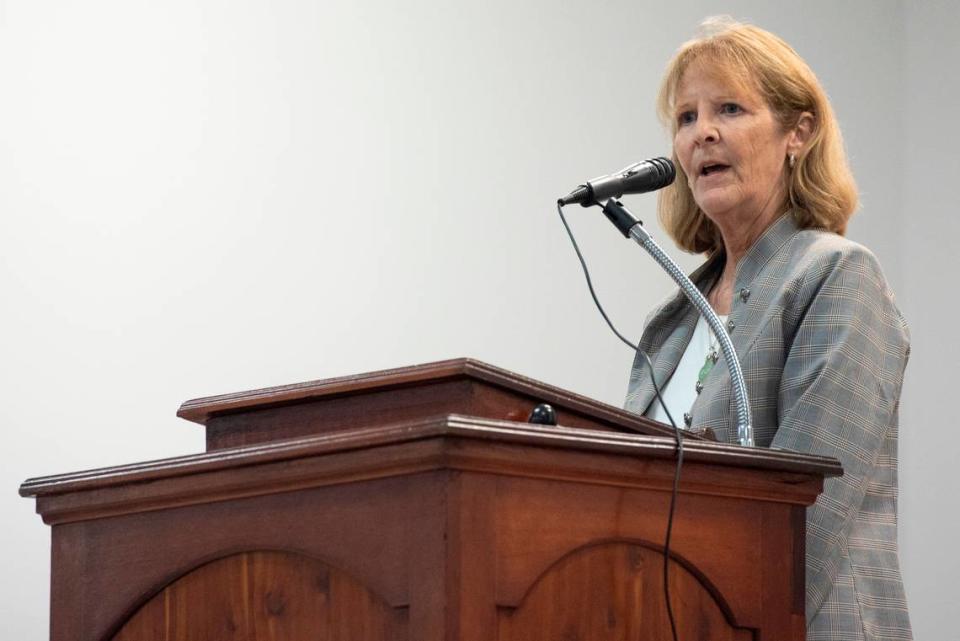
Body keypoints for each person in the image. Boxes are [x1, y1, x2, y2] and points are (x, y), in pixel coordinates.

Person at [623, 18, 912, 641]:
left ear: (798, 133)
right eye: (686, 118)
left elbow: (805, 515)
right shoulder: (672, 320)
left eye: (729, 108)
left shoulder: (837, 276)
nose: (703, 133)